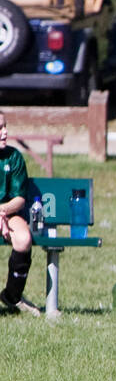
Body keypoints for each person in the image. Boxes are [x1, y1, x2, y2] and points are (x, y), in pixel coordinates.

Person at [0, 112, 41, 316]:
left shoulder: (14, 157)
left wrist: (2, 212)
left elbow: (20, 199)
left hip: (8, 213)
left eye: (5, 126)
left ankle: (12, 296)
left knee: (24, 239)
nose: (5, 131)